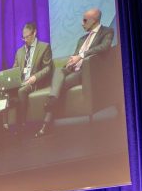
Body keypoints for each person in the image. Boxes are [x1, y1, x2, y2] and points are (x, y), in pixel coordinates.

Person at [36, 8, 114, 137]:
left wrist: (81, 55)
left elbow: (104, 47)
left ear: (94, 21)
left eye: (85, 20)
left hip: (85, 72)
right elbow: (75, 55)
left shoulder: (107, 32)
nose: (82, 23)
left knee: (60, 85)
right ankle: (53, 100)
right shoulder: (82, 38)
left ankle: (46, 124)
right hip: (73, 69)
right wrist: (71, 61)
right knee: (59, 71)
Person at [3, 22, 53, 130]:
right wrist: (10, 78)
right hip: (22, 81)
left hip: (36, 81)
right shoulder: (19, 52)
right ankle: (4, 124)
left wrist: (35, 77)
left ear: (34, 33)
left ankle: (21, 123)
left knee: (22, 91)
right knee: (4, 89)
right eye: (23, 37)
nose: (25, 40)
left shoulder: (44, 47)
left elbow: (47, 68)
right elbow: (15, 69)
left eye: (27, 37)